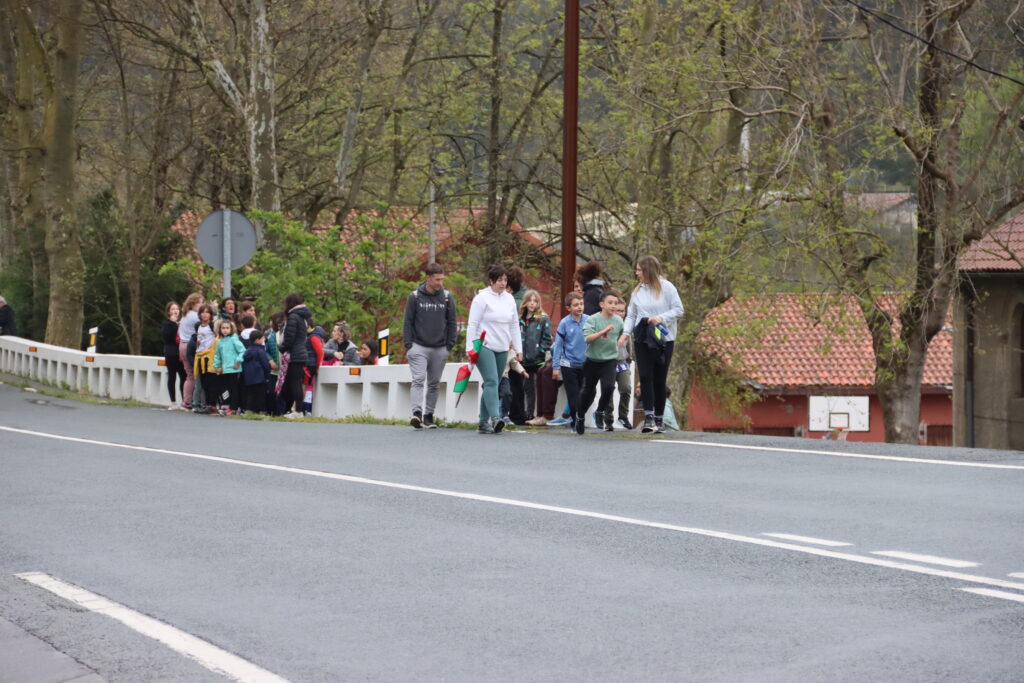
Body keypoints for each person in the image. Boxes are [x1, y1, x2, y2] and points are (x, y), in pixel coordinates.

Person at [619, 255, 684, 434]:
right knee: (645, 376)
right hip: (642, 338)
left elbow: (679, 310)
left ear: (648, 270)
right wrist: (625, 334)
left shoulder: (667, 287)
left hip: (663, 339)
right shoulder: (638, 291)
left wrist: (660, 318)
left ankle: (659, 418)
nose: (637, 273)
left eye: (639, 270)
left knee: (659, 378)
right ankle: (649, 417)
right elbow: (631, 315)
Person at [466, 264, 523, 434]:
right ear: (491, 281)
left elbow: (514, 325)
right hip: (483, 345)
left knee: (493, 384)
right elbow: (472, 324)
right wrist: (470, 349)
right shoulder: (481, 298)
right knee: (491, 381)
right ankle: (496, 417)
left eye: (505, 280)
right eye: (499, 280)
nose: (503, 283)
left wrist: (518, 349)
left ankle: (483, 422)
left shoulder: (509, 299)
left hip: (502, 346)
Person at [403, 263, 458, 429]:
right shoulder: (415, 297)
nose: (440, 283)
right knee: (418, 379)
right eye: (437, 279)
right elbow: (408, 322)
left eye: (442, 279)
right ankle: (416, 413)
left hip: (440, 347)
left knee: (434, 383)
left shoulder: (447, 297)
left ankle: (429, 415)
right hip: (418, 346)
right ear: (428, 278)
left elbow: (452, 322)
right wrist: (409, 344)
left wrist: (449, 345)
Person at [576, 290, 624, 434]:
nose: (613, 306)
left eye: (615, 303)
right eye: (610, 303)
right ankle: (580, 416)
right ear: (601, 304)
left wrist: (622, 342)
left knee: (609, 387)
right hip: (593, 360)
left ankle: (600, 411)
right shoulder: (593, 319)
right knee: (587, 392)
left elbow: (623, 335)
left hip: (609, 360)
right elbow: (587, 338)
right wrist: (602, 333)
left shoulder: (619, 321)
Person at [551, 292, 588, 433]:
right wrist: (556, 367)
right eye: (576, 305)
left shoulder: (589, 320)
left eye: (581, 304)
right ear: (568, 308)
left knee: (586, 394)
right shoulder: (564, 323)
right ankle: (575, 422)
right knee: (573, 396)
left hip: (585, 364)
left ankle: (580, 417)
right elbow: (558, 346)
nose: (579, 307)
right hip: (568, 365)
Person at [518, 290, 552, 423]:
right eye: (530, 301)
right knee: (528, 388)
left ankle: (541, 414)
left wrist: (540, 351)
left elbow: (547, 339)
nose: (532, 303)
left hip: (538, 359)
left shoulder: (543, 318)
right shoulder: (520, 319)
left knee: (540, 387)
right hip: (523, 360)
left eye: (535, 301)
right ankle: (529, 413)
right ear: (525, 302)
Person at [279, 293, 311, 418]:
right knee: (292, 382)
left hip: (295, 354)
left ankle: (298, 410)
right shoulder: (302, 317)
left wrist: (282, 348)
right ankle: (291, 409)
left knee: (295, 383)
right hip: (301, 352)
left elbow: (289, 338)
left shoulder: (293, 317)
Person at [213, 319, 245, 415]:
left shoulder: (234, 339)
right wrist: (216, 367)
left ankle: (234, 408)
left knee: (234, 389)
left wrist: (238, 361)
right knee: (227, 389)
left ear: (231, 329)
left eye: (227, 328)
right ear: (220, 329)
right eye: (223, 328)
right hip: (225, 370)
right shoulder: (220, 342)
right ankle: (229, 406)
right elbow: (217, 356)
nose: (225, 330)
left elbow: (243, 351)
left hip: (234, 369)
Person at [177, 292, 204, 409]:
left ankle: (186, 400)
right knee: (195, 375)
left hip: (182, 345)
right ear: (193, 304)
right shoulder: (194, 316)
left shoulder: (185, 315)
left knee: (189, 375)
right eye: (200, 303)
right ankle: (198, 401)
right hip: (190, 345)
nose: (202, 306)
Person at [193, 304, 218, 414]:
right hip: (199, 356)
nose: (205, 315)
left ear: (211, 315)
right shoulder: (198, 325)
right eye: (203, 312)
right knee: (203, 382)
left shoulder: (212, 326)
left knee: (210, 381)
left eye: (207, 312)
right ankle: (205, 404)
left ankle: (211, 405)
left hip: (209, 356)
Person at [161, 301, 186, 409]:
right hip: (171, 353)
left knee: (184, 377)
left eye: (177, 309)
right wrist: (173, 324)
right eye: (173, 309)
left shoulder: (182, 323)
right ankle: (173, 402)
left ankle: (185, 401)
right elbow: (167, 337)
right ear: (168, 312)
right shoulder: (166, 324)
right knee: (172, 377)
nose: (175, 311)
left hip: (181, 353)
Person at [613, 296, 633, 429]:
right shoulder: (607, 325)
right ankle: (608, 418)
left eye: (623, 311)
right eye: (618, 311)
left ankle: (623, 416)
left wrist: (628, 360)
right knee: (608, 390)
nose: (621, 314)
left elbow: (629, 346)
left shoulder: (627, 328)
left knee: (626, 388)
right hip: (609, 363)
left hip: (622, 363)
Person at [242, 329, 272, 414]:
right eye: (262, 338)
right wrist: (267, 375)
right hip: (260, 377)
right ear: (257, 340)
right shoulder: (260, 351)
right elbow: (265, 364)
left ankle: (249, 410)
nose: (264, 339)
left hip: (249, 378)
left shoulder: (247, 351)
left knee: (251, 394)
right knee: (261, 395)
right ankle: (262, 410)